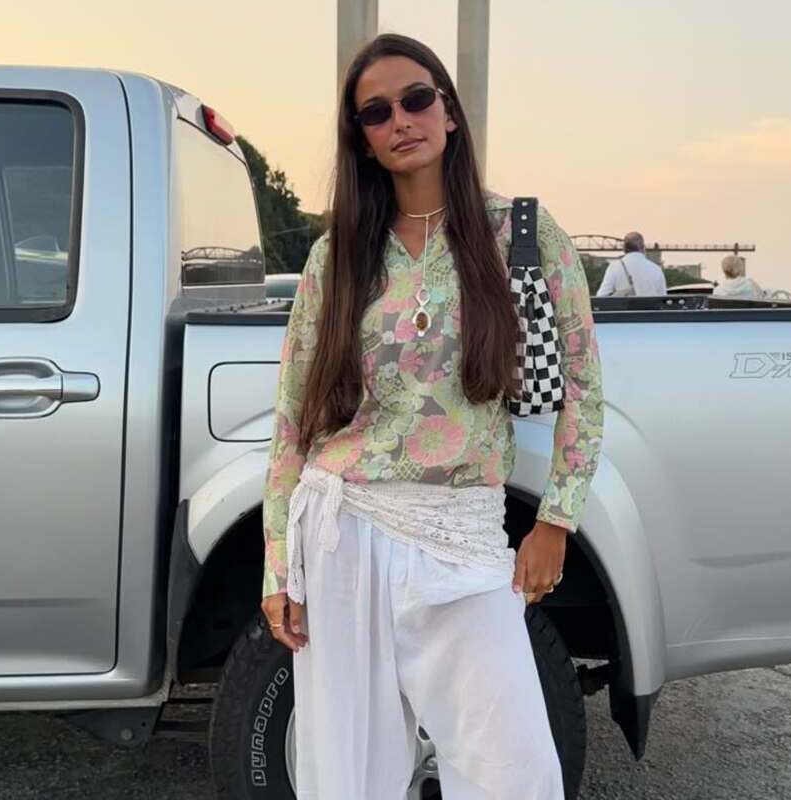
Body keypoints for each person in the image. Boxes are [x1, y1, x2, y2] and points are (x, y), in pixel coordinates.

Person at [259, 33, 604, 800]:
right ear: (363, 139)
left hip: (462, 533)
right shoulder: (337, 256)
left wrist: (557, 520)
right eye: (376, 112)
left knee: (514, 772)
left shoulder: (521, 233)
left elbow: (583, 380)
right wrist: (279, 565)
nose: (400, 120)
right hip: (343, 526)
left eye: (416, 98)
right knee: (349, 774)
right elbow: (292, 419)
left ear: (448, 110)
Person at [595, 231, 667, 297]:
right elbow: (663, 298)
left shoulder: (614, 267)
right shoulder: (656, 269)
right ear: (643, 247)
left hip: (624, 307)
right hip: (650, 307)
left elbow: (601, 296)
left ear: (624, 248)